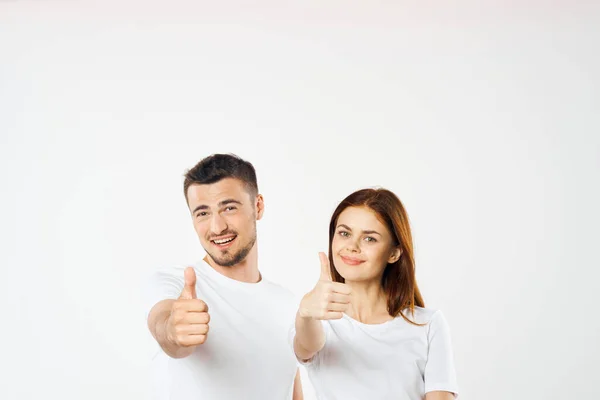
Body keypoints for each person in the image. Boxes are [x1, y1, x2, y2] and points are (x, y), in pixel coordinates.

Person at [146, 153, 302, 400]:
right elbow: (163, 325)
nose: (217, 228)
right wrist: (173, 331)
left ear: (258, 206)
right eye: (202, 213)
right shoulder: (176, 283)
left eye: (229, 208)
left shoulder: (288, 303)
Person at [292, 188, 459, 400]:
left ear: (394, 252)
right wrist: (305, 313)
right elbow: (305, 347)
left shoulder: (428, 324)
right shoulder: (317, 321)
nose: (352, 246)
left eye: (369, 239)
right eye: (344, 233)